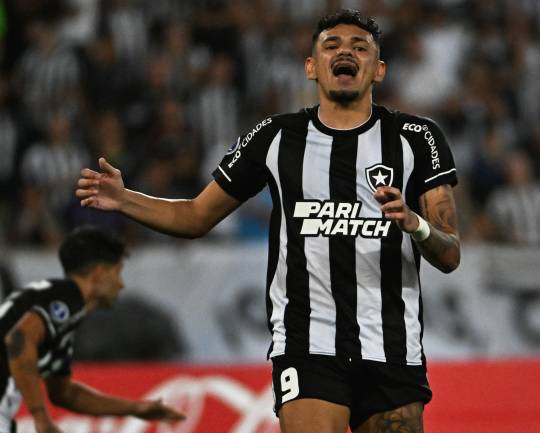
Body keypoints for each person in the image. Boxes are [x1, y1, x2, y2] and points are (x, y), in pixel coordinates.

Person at [76, 9, 460, 433]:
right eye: (331, 46)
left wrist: (416, 224)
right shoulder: (275, 137)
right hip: (307, 345)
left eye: (359, 47)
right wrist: (125, 198)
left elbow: (450, 253)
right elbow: (197, 215)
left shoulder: (417, 138)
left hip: (392, 348)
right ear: (311, 67)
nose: (345, 52)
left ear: (379, 70)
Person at [0, 226, 184, 433]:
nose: (121, 284)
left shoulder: (56, 313)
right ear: (98, 275)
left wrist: (136, 408)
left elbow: (66, 394)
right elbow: (18, 341)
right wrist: (40, 416)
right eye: (117, 273)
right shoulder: (64, 298)